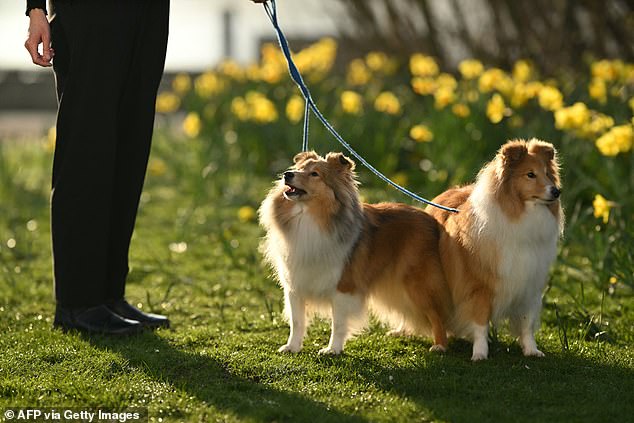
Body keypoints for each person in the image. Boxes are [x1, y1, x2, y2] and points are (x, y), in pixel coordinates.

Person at [25, 0, 270, 335]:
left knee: (130, 150)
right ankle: (77, 303)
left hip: (148, 11)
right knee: (87, 152)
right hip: (88, 15)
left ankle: (110, 296)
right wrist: (36, 9)